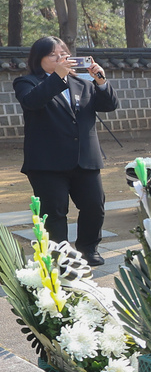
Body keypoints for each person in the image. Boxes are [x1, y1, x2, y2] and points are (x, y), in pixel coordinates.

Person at [15, 37, 118, 265]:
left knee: (94, 206)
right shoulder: (27, 83)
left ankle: (88, 249)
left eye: (64, 53)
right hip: (47, 163)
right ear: (38, 59)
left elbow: (109, 105)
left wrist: (100, 81)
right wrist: (57, 76)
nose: (61, 57)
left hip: (85, 158)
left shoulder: (82, 82)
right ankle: (59, 256)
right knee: (55, 212)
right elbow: (33, 102)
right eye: (53, 54)